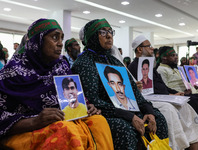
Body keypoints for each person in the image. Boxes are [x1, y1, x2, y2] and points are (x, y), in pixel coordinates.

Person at [0, 18, 114, 150]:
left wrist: (86, 106)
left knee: (99, 122)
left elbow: (73, 98)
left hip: (61, 122)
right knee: (65, 129)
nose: (60, 43)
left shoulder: (61, 66)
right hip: (27, 129)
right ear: (38, 41)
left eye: (61, 38)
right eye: (55, 37)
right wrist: (35, 121)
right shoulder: (13, 72)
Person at [72, 18, 169, 150]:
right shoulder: (84, 63)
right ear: (92, 36)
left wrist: (149, 112)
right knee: (124, 129)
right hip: (107, 113)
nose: (109, 36)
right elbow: (94, 101)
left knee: (158, 119)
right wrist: (130, 116)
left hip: (128, 110)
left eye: (110, 32)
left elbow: (135, 92)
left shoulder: (114, 61)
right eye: (102, 32)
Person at [128, 35, 198, 150]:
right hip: (151, 100)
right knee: (169, 109)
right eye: (149, 46)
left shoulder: (150, 67)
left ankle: (192, 140)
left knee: (186, 104)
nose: (152, 49)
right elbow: (143, 92)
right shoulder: (133, 67)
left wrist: (175, 93)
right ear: (139, 49)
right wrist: (169, 96)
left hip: (164, 97)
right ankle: (177, 144)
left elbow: (162, 86)